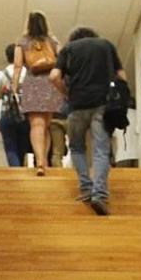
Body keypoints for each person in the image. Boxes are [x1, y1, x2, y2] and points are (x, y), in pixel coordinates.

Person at [50, 26, 125, 215]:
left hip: (77, 105)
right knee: (101, 149)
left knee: (76, 147)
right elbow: (121, 75)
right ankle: (99, 194)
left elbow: (54, 76)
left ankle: (85, 188)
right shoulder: (106, 45)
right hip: (102, 104)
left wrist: (66, 93)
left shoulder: (68, 49)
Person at [12, 11, 64, 176]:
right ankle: (45, 162)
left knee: (36, 125)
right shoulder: (52, 40)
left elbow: (18, 66)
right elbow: (62, 59)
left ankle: (40, 162)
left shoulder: (22, 42)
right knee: (46, 126)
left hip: (32, 83)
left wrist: (15, 86)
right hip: (50, 83)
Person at [0, 44, 30, 168]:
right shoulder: (28, 73)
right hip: (26, 115)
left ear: (7, 57)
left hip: (7, 115)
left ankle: (16, 175)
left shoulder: (1, 75)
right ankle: (22, 175)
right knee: (23, 149)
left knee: (11, 148)